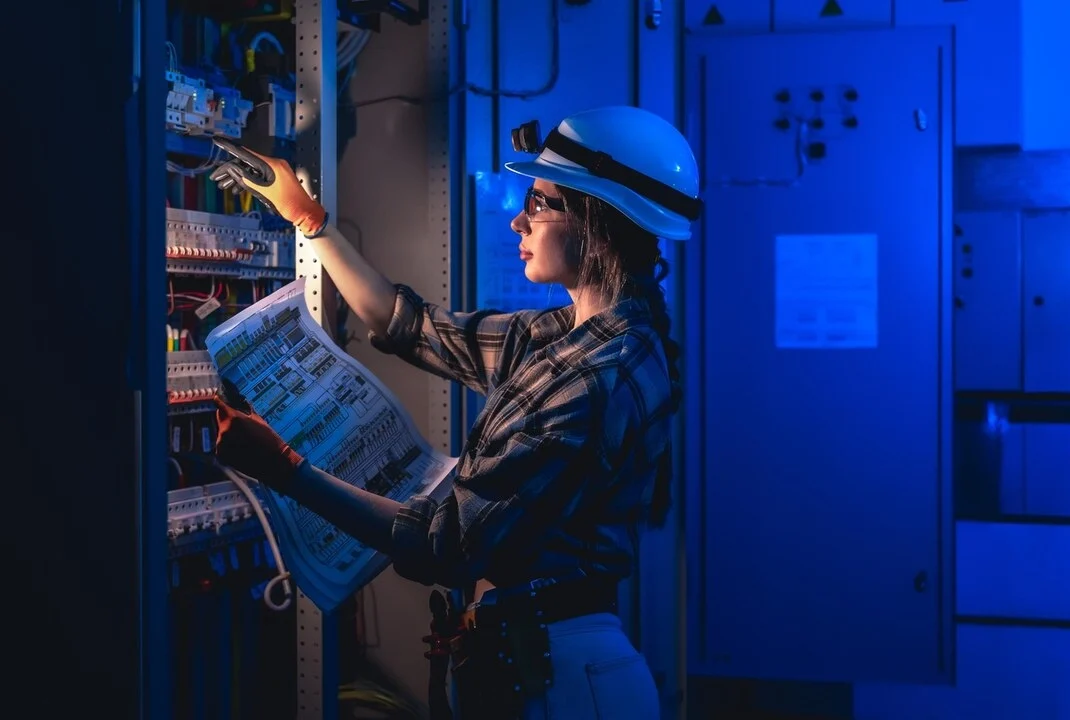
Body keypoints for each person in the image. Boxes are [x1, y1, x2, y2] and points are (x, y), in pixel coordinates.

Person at [208, 105, 703, 719]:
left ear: (597, 223)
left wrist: (284, 469)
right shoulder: (571, 337)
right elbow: (411, 328)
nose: (520, 219)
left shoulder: (592, 378)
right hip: (540, 659)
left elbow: (444, 545)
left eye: (542, 204)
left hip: (559, 679)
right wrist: (310, 221)